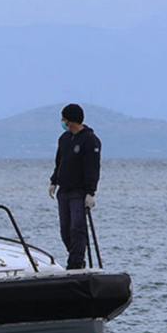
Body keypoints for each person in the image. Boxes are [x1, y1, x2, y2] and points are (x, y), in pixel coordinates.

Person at [49, 103, 101, 270]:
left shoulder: (90, 140)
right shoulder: (64, 139)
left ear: (71, 120)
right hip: (64, 190)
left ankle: (76, 262)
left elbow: (93, 167)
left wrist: (91, 192)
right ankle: (74, 255)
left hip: (79, 192)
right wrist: (54, 181)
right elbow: (59, 162)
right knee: (65, 230)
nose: (62, 121)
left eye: (64, 118)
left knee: (77, 227)